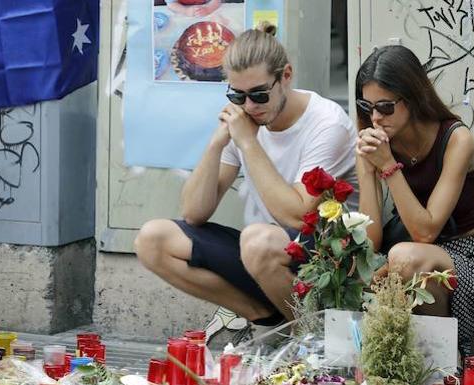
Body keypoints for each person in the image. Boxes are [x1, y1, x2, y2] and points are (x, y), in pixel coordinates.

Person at [134, 22, 358, 340]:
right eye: (237, 95)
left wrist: (249, 144)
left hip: (325, 260)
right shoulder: (244, 119)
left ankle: (311, 340)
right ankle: (266, 320)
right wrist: (217, 143)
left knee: (257, 241)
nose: (250, 106)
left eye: (259, 95)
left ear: (287, 76)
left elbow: (298, 216)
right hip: (263, 256)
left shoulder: (326, 123)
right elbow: (194, 213)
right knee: (152, 240)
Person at [354, 45, 474, 356]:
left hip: (468, 256)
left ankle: (443, 364)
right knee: (351, 264)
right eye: (367, 107)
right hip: (406, 248)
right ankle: (388, 365)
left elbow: (426, 232)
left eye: (385, 106)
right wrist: (366, 169)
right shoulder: (379, 140)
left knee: (406, 258)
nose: (376, 118)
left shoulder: (456, 140)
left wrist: (388, 167)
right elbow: (370, 242)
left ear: (412, 98)